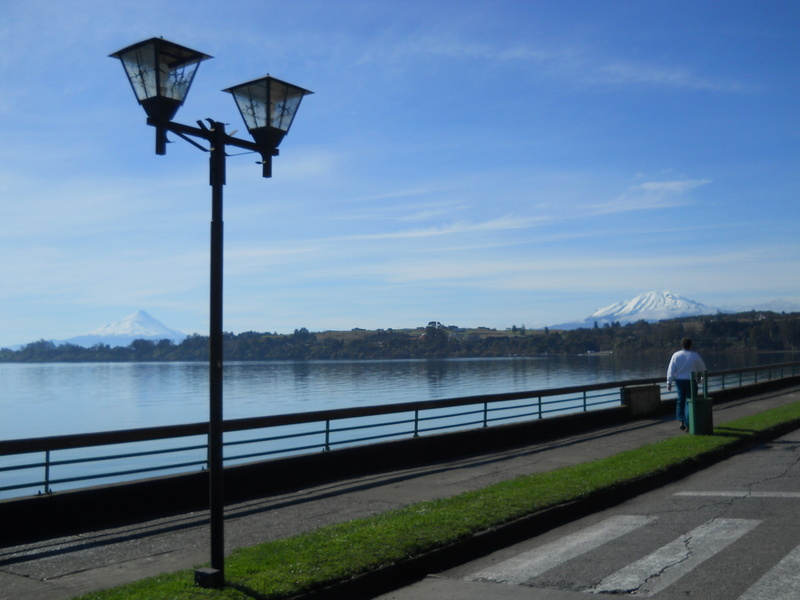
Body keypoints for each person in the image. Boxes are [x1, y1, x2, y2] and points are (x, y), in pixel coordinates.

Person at [666, 337, 706, 431]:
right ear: (690, 345)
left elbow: (671, 370)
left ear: (681, 345)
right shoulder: (695, 356)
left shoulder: (676, 355)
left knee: (681, 401)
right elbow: (702, 369)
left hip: (679, 381)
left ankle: (681, 420)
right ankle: (689, 423)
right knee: (691, 401)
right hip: (691, 380)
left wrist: (669, 382)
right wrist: (701, 381)